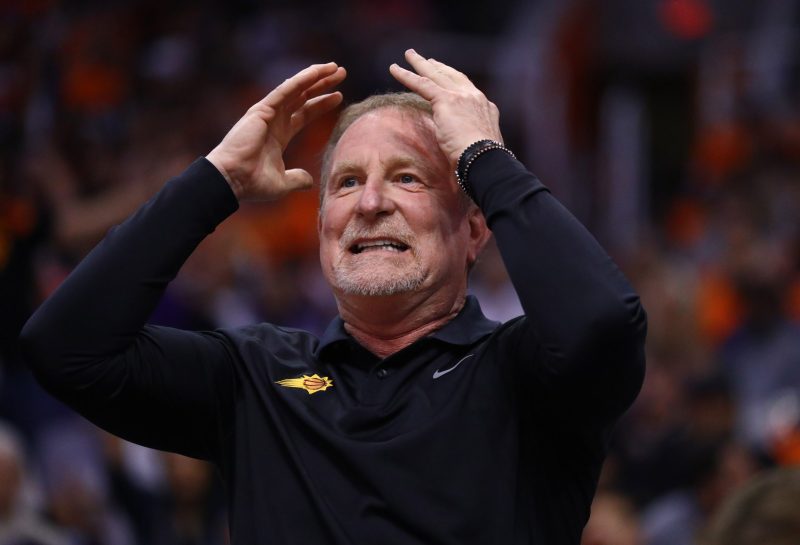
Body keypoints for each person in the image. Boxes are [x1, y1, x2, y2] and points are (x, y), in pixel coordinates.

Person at [20, 50, 647, 545]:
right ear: (323, 229)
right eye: (346, 183)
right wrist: (214, 181)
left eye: (407, 177)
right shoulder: (255, 379)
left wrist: (487, 157)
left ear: (475, 230)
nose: (370, 203)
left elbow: (604, 324)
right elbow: (64, 348)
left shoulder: (527, 375)